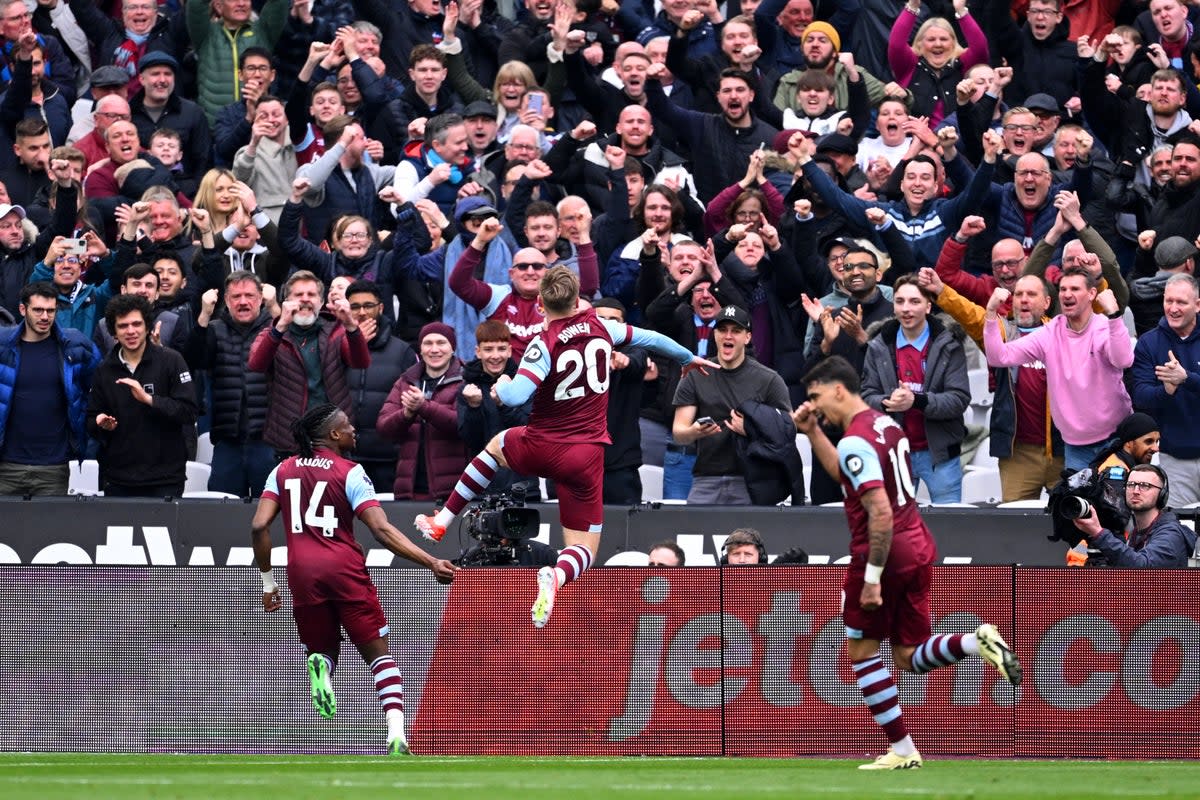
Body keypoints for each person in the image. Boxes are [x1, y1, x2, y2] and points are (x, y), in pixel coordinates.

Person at [413, 266, 718, 628]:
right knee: (584, 550)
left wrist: (502, 383)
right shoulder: (603, 327)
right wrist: (687, 357)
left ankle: (441, 521)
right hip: (586, 456)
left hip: (542, 443)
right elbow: (651, 338)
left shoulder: (544, 343)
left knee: (495, 447)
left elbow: (516, 395)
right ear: (577, 300)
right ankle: (556, 577)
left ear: (540, 304)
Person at [792, 355, 1020, 770]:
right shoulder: (885, 424)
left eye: (816, 396)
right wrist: (811, 433)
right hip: (917, 541)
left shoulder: (855, 440)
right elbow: (849, 476)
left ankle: (902, 751)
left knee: (861, 652)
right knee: (907, 655)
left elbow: (878, 511)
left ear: (838, 389)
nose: (813, 405)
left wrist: (873, 577)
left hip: (884, 550)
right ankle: (975, 642)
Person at [250, 403, 457, 756]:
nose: (353, 431)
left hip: (300, 571)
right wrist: (430, 561)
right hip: (345, 569)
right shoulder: (351, 472)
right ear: (333, 435)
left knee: (322, 648)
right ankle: (397, 736)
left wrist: (269, 584)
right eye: (348, 426)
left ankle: (320, 667)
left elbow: (258, 526)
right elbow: (381, 530)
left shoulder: (281, 470)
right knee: (379, 656)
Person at [983, 272, 1133, 471]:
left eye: (1075, 289)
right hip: (1075, 447)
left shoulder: (1105, 327)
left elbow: (1124, 360)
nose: (1067, 294)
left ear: (1092, 294)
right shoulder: (1050, 332)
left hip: (1115, 440)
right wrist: (991, 312)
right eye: (1063, 289)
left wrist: (1114, 314)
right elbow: (999, 357)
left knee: (1116, 501)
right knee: (1079, 502)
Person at [861, 275, 970, 503]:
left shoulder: (949, 344)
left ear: (929, 306)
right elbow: (867, 396)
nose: (906, 309)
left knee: (948, 528)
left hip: (940, 455)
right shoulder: (878, 345)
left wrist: (917, 401)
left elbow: (959, 399)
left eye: (914, 301)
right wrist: (886, 403)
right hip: (895, 453)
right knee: (898, 531)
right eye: (900, 301)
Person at [673, 304, 792, 505]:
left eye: (736, 331)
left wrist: (751, 429)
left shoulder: (769, 379)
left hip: (751, 479)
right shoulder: (695, 375)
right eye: (722, 330)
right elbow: (678, 433)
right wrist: (694, 431)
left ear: (747, 337)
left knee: (750, 536)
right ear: (715, 334)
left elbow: (787, 432)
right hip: (706, 477)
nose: (728, 336)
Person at [85, 293, 197, 497]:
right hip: (118, 478)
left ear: (147, 326)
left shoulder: (171, 360)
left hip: (165, 479)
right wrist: (100, 423)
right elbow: (91, 419)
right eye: (123, 326)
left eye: (136, 324)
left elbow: (189, 412)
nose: (131, 331)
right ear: (113, 332)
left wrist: (149, 400)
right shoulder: (104, 370)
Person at [0, 281, 100, 495]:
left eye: (50, 310)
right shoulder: (3, 346)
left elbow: (98, 387)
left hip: (54, 467)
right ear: (22, 309)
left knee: (50, 529)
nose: (45, 317)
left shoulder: (75, 346)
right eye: (38, 310)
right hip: (6, 465)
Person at [1132, 273, 1200, 506]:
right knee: (1181, 531)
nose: (1173, 308)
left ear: (1197, 305)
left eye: (1181, 302)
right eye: (1168, 301)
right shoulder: (1149, 343)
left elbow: (1187, 380)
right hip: (1175, 459)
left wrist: (1187, 379)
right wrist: (1167, 390)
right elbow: (1140, 397)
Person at [1071, 464, 1197, 568]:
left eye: (1145, 486)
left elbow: (1143, 568)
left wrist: (1098, 533)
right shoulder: (1136, 532)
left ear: (1162, 494)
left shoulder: (1171, 534)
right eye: (1131, 485)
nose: (1136, 491)